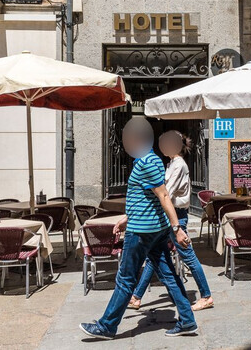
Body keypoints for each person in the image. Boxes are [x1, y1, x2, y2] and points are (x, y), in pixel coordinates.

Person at [80, 118, 198, 340]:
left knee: (125, 278)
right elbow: (147, 198)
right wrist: (128, 216)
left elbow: (163, 195)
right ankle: (188, 320)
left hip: (143, 231)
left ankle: (107, 326)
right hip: (153, 227)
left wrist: (177, 228)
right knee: (169, 275)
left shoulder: (146, 162)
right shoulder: (150, 160)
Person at [128, 130, 214, 312]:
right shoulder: (172, 164)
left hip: (177, 218)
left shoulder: (179, 165)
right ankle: (136, 297)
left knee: (189, 257)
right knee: (155, 257)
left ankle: (206, 296)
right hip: (170, 216)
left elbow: (167, 192)